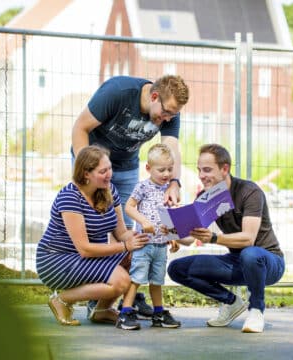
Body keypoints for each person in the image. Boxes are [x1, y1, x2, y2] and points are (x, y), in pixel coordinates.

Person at [72, 74, 189, 318]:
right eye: (166, 112)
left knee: (126, 233)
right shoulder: (118, 92)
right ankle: (85, 290)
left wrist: (175, 183)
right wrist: (89, 171)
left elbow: (171, 150)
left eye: (172, 115)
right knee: (95, 227)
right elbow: (80, 128)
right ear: (154, 96)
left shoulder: (170, 112)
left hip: (125, 167)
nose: (167, 119)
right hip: (92, 163)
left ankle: (120, 295)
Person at [167, 144, 285, 333]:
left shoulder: (249, 191)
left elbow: (248, 239)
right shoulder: (206, 196)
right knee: (177, 269)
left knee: (250, 254)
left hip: (268, 261)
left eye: (207, 170)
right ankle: (231, 302)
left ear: (225, 169)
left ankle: (256, 310)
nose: (201, 175)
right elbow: (190, 239)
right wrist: (170, 231)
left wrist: (214, 238)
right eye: (199, 170)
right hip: (237, 262)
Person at [36, 145, 149, 326]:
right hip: (57, 260)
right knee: (121, 282)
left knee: (137, 255)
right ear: (86, 174)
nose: (109, 174)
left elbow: (121, 233)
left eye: (110, 168)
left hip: (87, 257)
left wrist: (146, 235)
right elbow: (85, 249)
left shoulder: (109, 189)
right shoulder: (70, 197)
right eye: (103, 171)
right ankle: (62, 299)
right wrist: (125, 246)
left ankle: (101, 311)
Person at [116, 144, 181, 330]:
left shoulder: (170, 190)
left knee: (157, 281)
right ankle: (125, 313)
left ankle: (158, 313)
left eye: (170, 169)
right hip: (144, 244)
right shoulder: (142, 187)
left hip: (161, 246)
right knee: (136, 278)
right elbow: (129, 207)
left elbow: (171, 216)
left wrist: (173, 236)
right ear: (148, 168)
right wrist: (143, 221)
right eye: (161, 170)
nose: (166, 173)